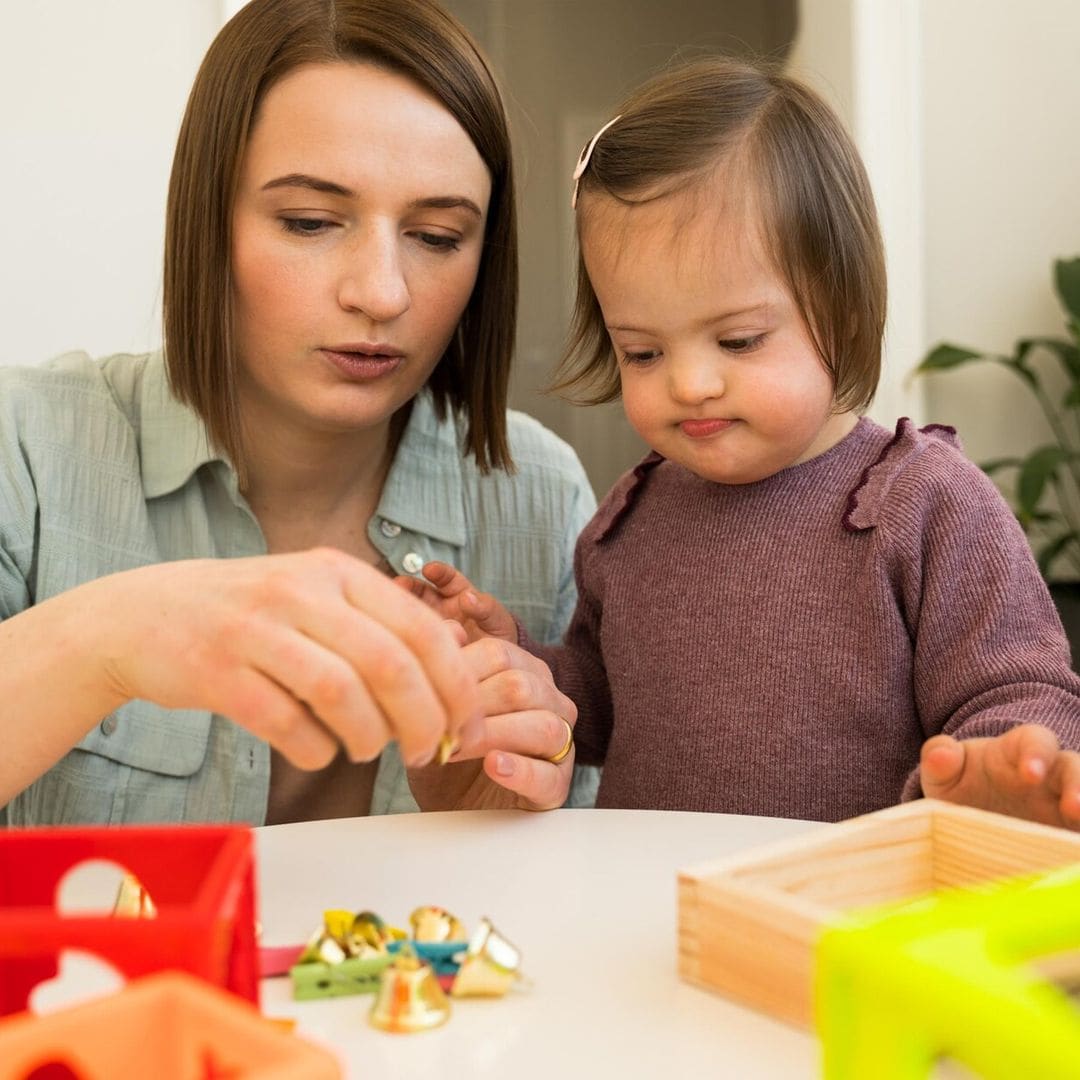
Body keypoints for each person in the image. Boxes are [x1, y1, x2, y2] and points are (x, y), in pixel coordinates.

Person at [404, 56, 1080, 828]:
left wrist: (996, 775)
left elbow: (1020, 693)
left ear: (844, 317)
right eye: (643, 352)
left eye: (738, 340)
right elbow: (595, 699)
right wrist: (519, 667)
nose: (690, 383)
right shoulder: (631, 520)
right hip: (651, 911)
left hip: (843, 917)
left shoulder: (925, 504)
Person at [0, 0, 598, 826]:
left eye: (436, 235)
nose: (382, 292)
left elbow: (581, 903)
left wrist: (491, 820)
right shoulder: (26, 449)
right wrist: (108, 640)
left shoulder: (538, 496)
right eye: (310, 222)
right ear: (209, 221)